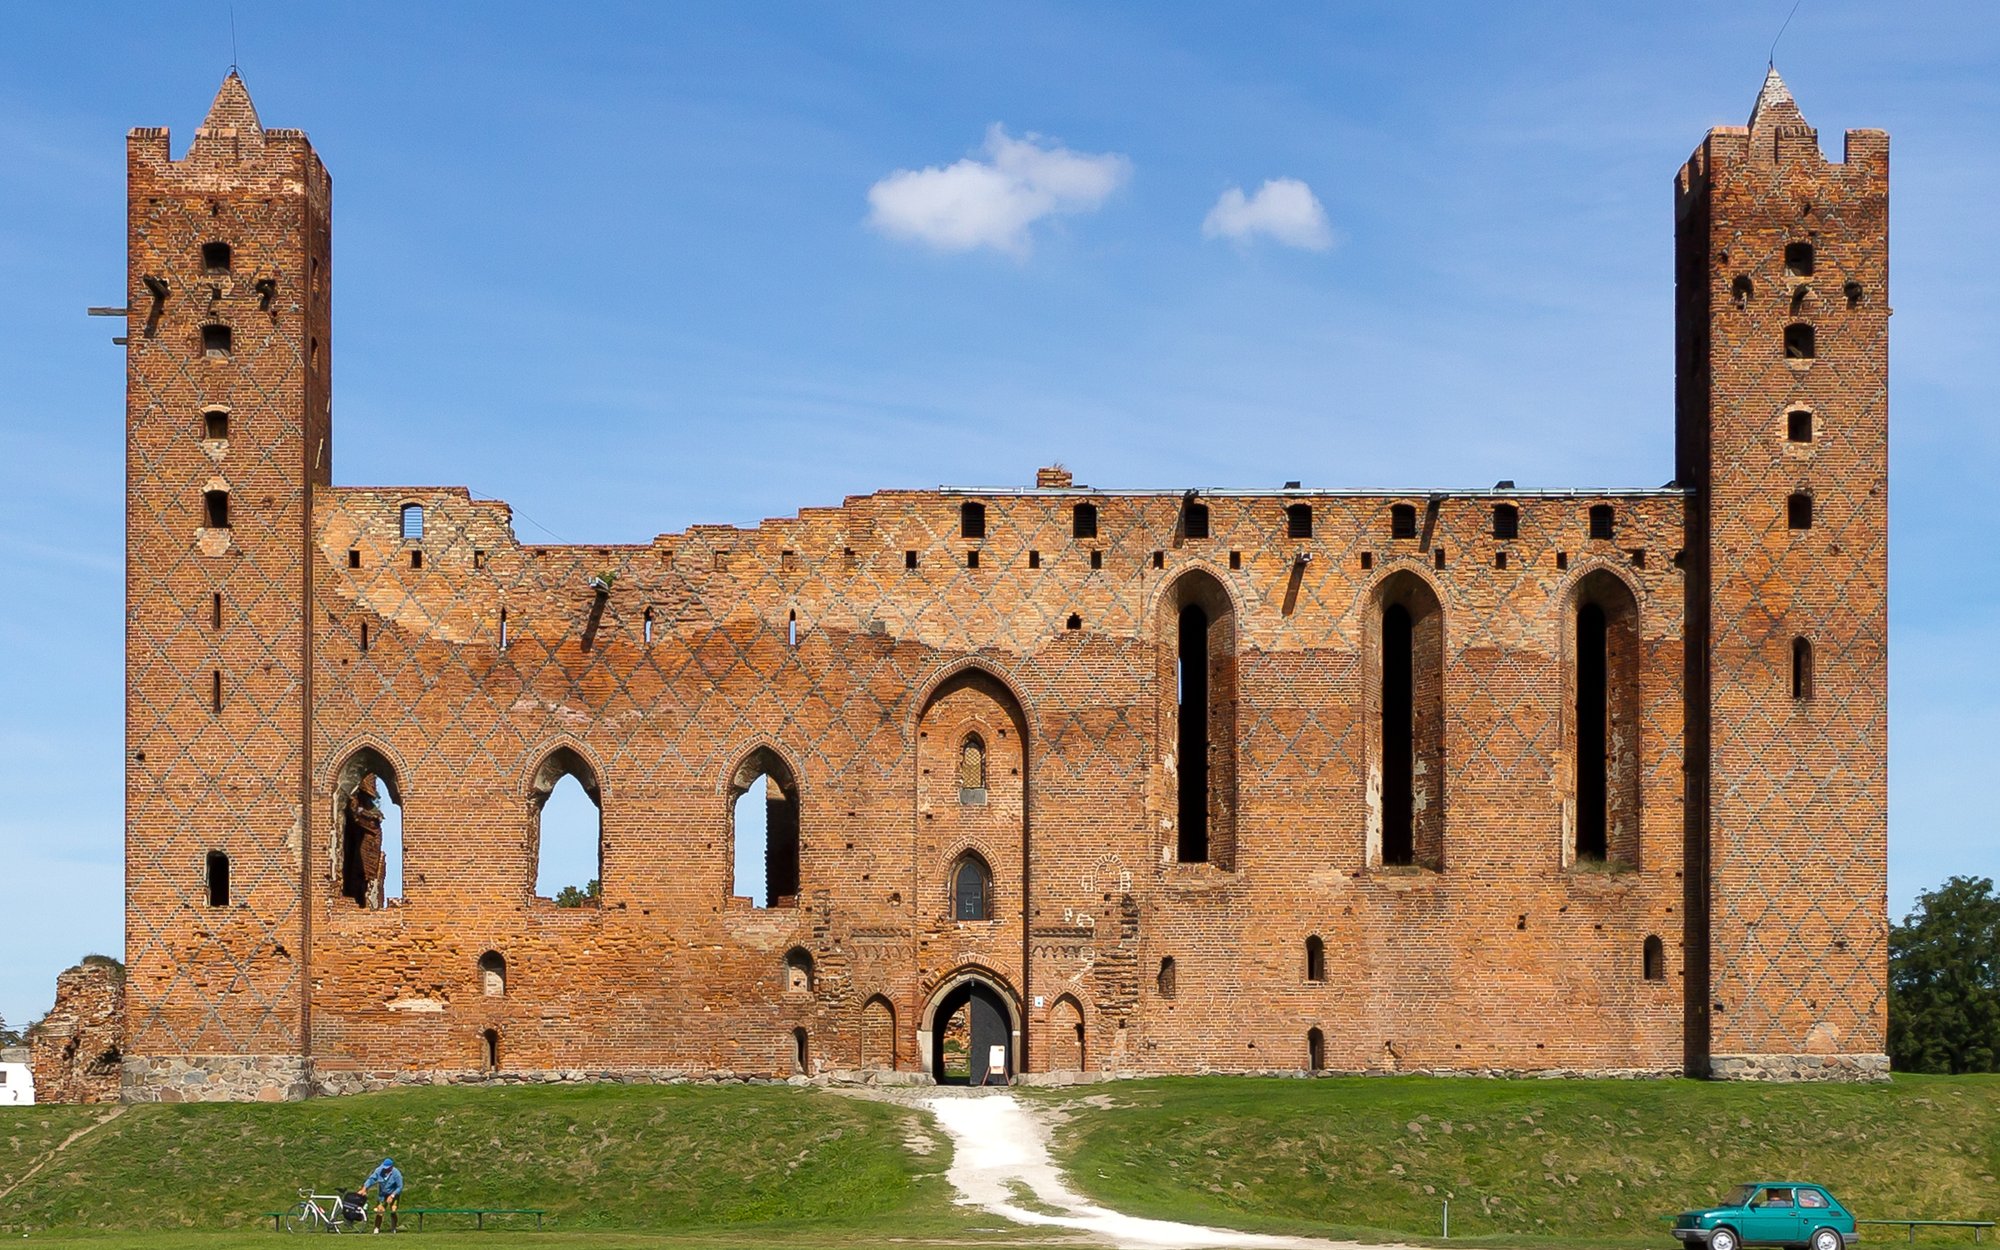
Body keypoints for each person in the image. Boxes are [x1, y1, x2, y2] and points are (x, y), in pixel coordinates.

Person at [360, 1157, 404, 1234]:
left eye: (387, 1168)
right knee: (380, 1211)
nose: (385, 1169)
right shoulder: (379, 1170)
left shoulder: (397, 1174)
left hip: (394, 1194)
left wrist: (392, 1195)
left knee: (393, 1210)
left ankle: (393, 1228)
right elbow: (371, 1179)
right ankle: (376, 1228)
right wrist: (364, 1188)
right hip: (382, 1194)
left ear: (391, 1167)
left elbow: (399, 1187)